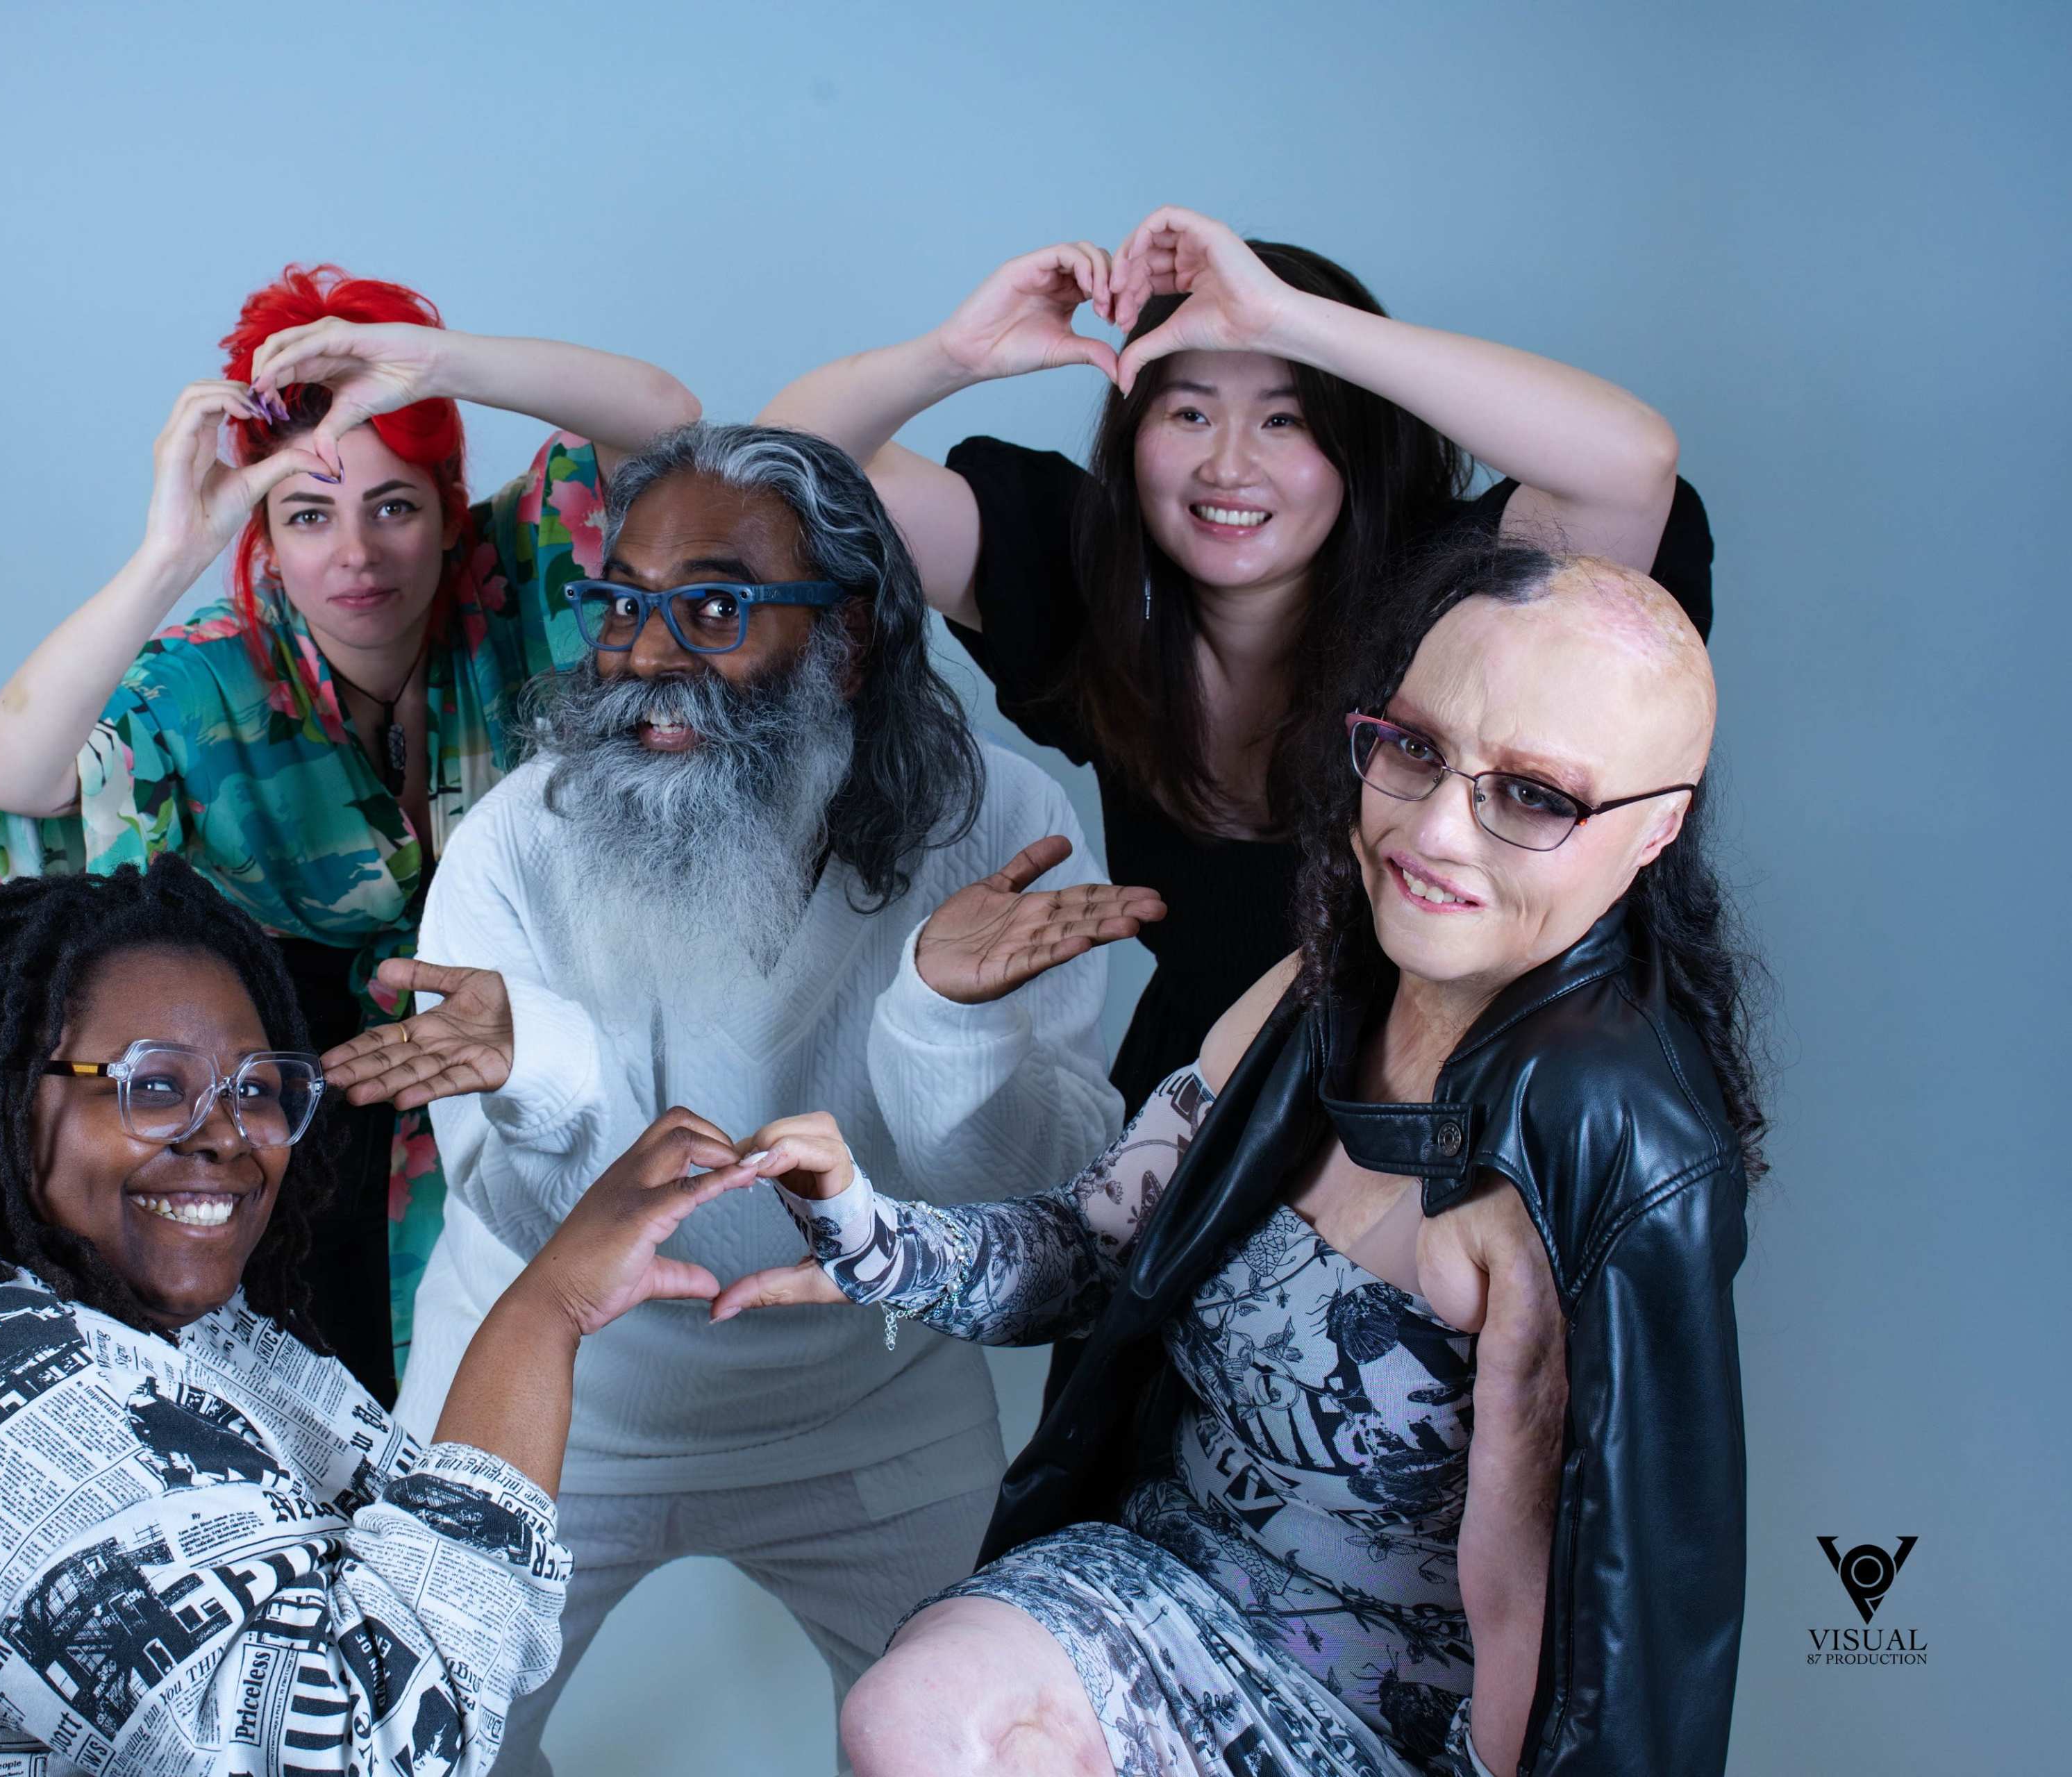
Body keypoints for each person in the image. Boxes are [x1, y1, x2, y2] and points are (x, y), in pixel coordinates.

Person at [719, 533, 1759, 1776]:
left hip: (1388, 1720)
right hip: (1153, 1587)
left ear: (1656, 833)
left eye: (1531, 794)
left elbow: (1536, 1610)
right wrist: (871, 1233)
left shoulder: (1585, 1143)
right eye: (1416, 748)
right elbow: (1100, 1249)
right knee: (922, 1720)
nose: (1434, 831)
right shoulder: (1317, 989)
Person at [321, 422, 1162, 1773]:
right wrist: (542, 1059)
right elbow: (544, 1228)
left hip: (870, 1415)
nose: (648, 656)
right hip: (550, 1408)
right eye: (624, 605)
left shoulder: (1001, 825)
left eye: (712, 607)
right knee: (404, 1748)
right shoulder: (521, 843)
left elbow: (1037, 1199)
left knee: (1001, 1742)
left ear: (849, 635)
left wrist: (948, 1026)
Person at [0, 853, 773, 1777]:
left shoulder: (134, 1320)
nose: (224, 1133)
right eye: (154, 1085)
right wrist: (547, 1307)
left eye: (259, 1090)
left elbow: (386, 1575)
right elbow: (360, 1756)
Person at [760, 206, 1716, 1117]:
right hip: (1194, 1104)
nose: (1227, 467)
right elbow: (781, 474)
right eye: (1188, 415)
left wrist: (1288, 319)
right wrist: (952, 355)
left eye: (1285, 420)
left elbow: (1631, 463)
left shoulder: (1462, 607)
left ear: (1355, 447)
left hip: (1454, 1105)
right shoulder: (1076, 572)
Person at [0, 264, 701, 1403]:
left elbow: (667, 422)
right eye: (306, 516)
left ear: (450, 510)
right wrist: (172, 548)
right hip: (309, 1128)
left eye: (393, 506)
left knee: (584, 1415)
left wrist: (435, 363)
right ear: (261, 535)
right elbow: (14, 776)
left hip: (546, 1065)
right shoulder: (206, 680)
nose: (354, 556)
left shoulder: (518, 572)